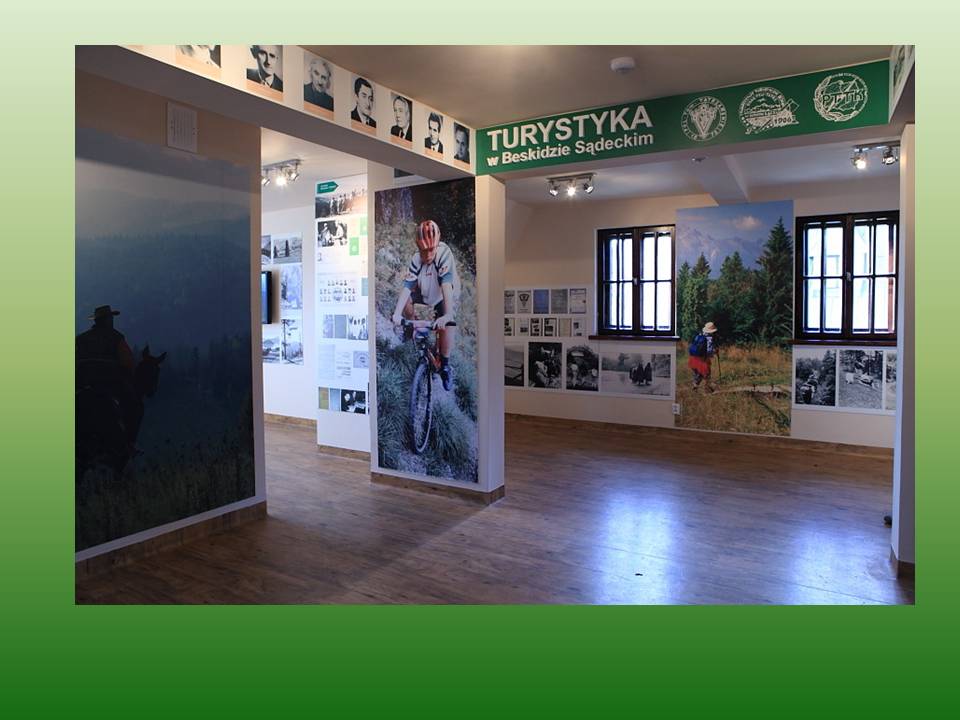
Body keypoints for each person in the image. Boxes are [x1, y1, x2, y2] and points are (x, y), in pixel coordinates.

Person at [391, 220, 459, 391]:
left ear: (437, 244)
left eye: (431, 250)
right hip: (425, 289)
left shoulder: (444, 254)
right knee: (406, 300)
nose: (427, 255)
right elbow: (407, 288)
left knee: (448, 323)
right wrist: (397, 314)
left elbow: (446, 285)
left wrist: (447, 315)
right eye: (423, 250)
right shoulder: (416, 259)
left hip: (444, 292)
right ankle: (410, 330)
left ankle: (445, 365)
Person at [75, 305, 141, 450]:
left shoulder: (80, 339)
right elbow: (128, 363)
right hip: (110, 384)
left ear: (96, 320)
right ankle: (129, 444)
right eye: (111, 318)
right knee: (133, 406)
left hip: (81, 384)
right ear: (108, 319)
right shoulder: (116, 338)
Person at [688, 321, 718, 392]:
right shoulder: (709, 338)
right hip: (702, 359)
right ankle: (706, 388)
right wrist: (715, 352)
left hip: (693, 358)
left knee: (698, 373)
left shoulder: (699, 335)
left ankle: (696, 386)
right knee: (706, 373)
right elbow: (709, 351)